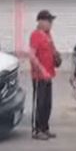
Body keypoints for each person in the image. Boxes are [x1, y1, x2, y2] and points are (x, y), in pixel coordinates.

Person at [29, 10, 59, 140]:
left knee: (47, 104)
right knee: (40, 104)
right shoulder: (35, 35)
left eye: (51, 21)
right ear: (40, 21)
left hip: (49, 74)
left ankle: (45, 128)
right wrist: (42, 70)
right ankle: (37, 130)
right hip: (39, 76)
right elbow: (31, 55)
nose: (50, 24)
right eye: (48, 21)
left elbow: (52, 51)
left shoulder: (48, 35)